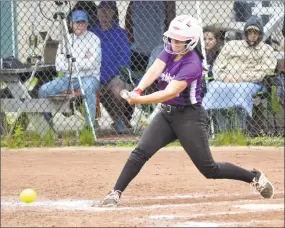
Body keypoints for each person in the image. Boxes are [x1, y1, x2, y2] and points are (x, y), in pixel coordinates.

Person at [99, 15, 275, 207]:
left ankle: (254, 177)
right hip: (166, 115)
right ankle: (115, 193)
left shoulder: (192, 64)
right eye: (172, 38)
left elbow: (169, 92)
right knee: (140, 152)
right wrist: (138, 89)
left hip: (189, 118)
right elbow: (154, 70)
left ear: (190, 42)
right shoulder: (169, 51)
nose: (173, 42)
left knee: (210, 170)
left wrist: (139, 100)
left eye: (178, 40)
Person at [202, 15, 277, 132]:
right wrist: (225, 77)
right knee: (215, 89)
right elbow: (217, 68)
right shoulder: (232, 45)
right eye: (249, 32)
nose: (252, 35)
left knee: (240, 91)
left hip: (249, 83)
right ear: (245, 33)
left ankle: (239, 131)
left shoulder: (266, 49)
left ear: (260, 34)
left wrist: (241, 78)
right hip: (225, 80)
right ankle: (223, 132)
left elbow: (266, 70)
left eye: (255, 32)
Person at [38, 10, 101, 131]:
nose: (80, 25)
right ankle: (48, 128)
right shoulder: (66, 39)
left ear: (87, 23)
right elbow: (58, 65)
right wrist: (81, 61)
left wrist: (71, 61)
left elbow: (91, 64)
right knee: (43, 90)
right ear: (71, 24)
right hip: (68, 78)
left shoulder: (94, 39)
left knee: (88, 88)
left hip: (89, 78)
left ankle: (89, 128)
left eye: (83, 22)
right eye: (77, 22)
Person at [89, 1, 132, 134]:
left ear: (114, 13)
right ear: (97, 12)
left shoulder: (121, 33)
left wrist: (105, 77)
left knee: (117, 88)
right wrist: (98, 78)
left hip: (113, 76)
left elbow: (124, 61)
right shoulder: (91, 33)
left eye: (108, 10)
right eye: (101, 10)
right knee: (87, 86)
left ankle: (118, 119)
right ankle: (92, 121)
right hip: (94, 75)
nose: (104, 14)